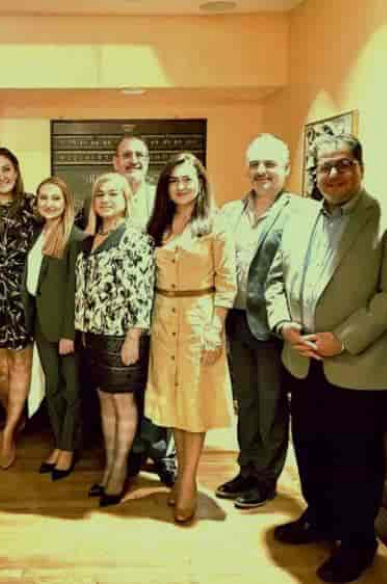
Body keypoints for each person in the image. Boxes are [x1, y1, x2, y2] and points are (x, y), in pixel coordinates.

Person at [265, 133, 387, 583]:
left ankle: (356, 542)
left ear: (360, 168)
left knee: (357, 458)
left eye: (343, 165)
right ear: (314, 173)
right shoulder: (298, 219)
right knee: (310, 446)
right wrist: (284, 324)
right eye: (324, 167)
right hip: (302, 358)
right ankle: (320, 517)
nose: (333, 174)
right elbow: (275, 281)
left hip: (359, 363)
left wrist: (343, 340)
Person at [145, 152, 236, 523]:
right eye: (174, 180)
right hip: (163, 320)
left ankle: (187, 482)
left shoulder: (216, 224)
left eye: (187, 179)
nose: (181, 186)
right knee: (173, 402)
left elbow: (227, 282)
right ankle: (184, 474)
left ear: (200, 183)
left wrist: (216, 328)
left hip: (200, 320)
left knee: (195, 404)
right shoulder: (159, 224)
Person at [215, 134, 304, 509]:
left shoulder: (301, 213)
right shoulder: (230, 212)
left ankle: (266, 479)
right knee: (246, 402)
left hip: (273, 325)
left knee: (271, 404)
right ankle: (247, 469)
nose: (261, 171)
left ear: (286, 168)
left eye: (270, 164)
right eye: (255, 164)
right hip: (236, 320)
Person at [76, 172, 155, 506]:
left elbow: (143, 291)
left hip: (121, 335)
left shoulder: (136, 239)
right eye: (100, 194)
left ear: (126, 199)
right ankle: (109, 467)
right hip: (92, 334)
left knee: (123, 403)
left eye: (113, 194)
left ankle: (120, 471)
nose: (105, 200)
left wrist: (134, 336)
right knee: (105, 402)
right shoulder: (90, 239)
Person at [0, 147, 41, 469]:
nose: (1, 176)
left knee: (20, 365)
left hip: (23, 298)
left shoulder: (34, 206)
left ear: (16, 171)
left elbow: (65, 226)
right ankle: (14, 415)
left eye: (6, 169)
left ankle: (8, 432)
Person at [21, 177, 87, 481]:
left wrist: (68, 333)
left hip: (64, 330)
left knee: (72, 390)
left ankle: (69, 447)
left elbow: (76, 289)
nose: (49, 204)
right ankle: (59, 442)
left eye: (55, 198)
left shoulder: (75, 238)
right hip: (41, 325)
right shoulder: (39, 233)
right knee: (53, 388)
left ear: (66, 202)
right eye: (43, 198)